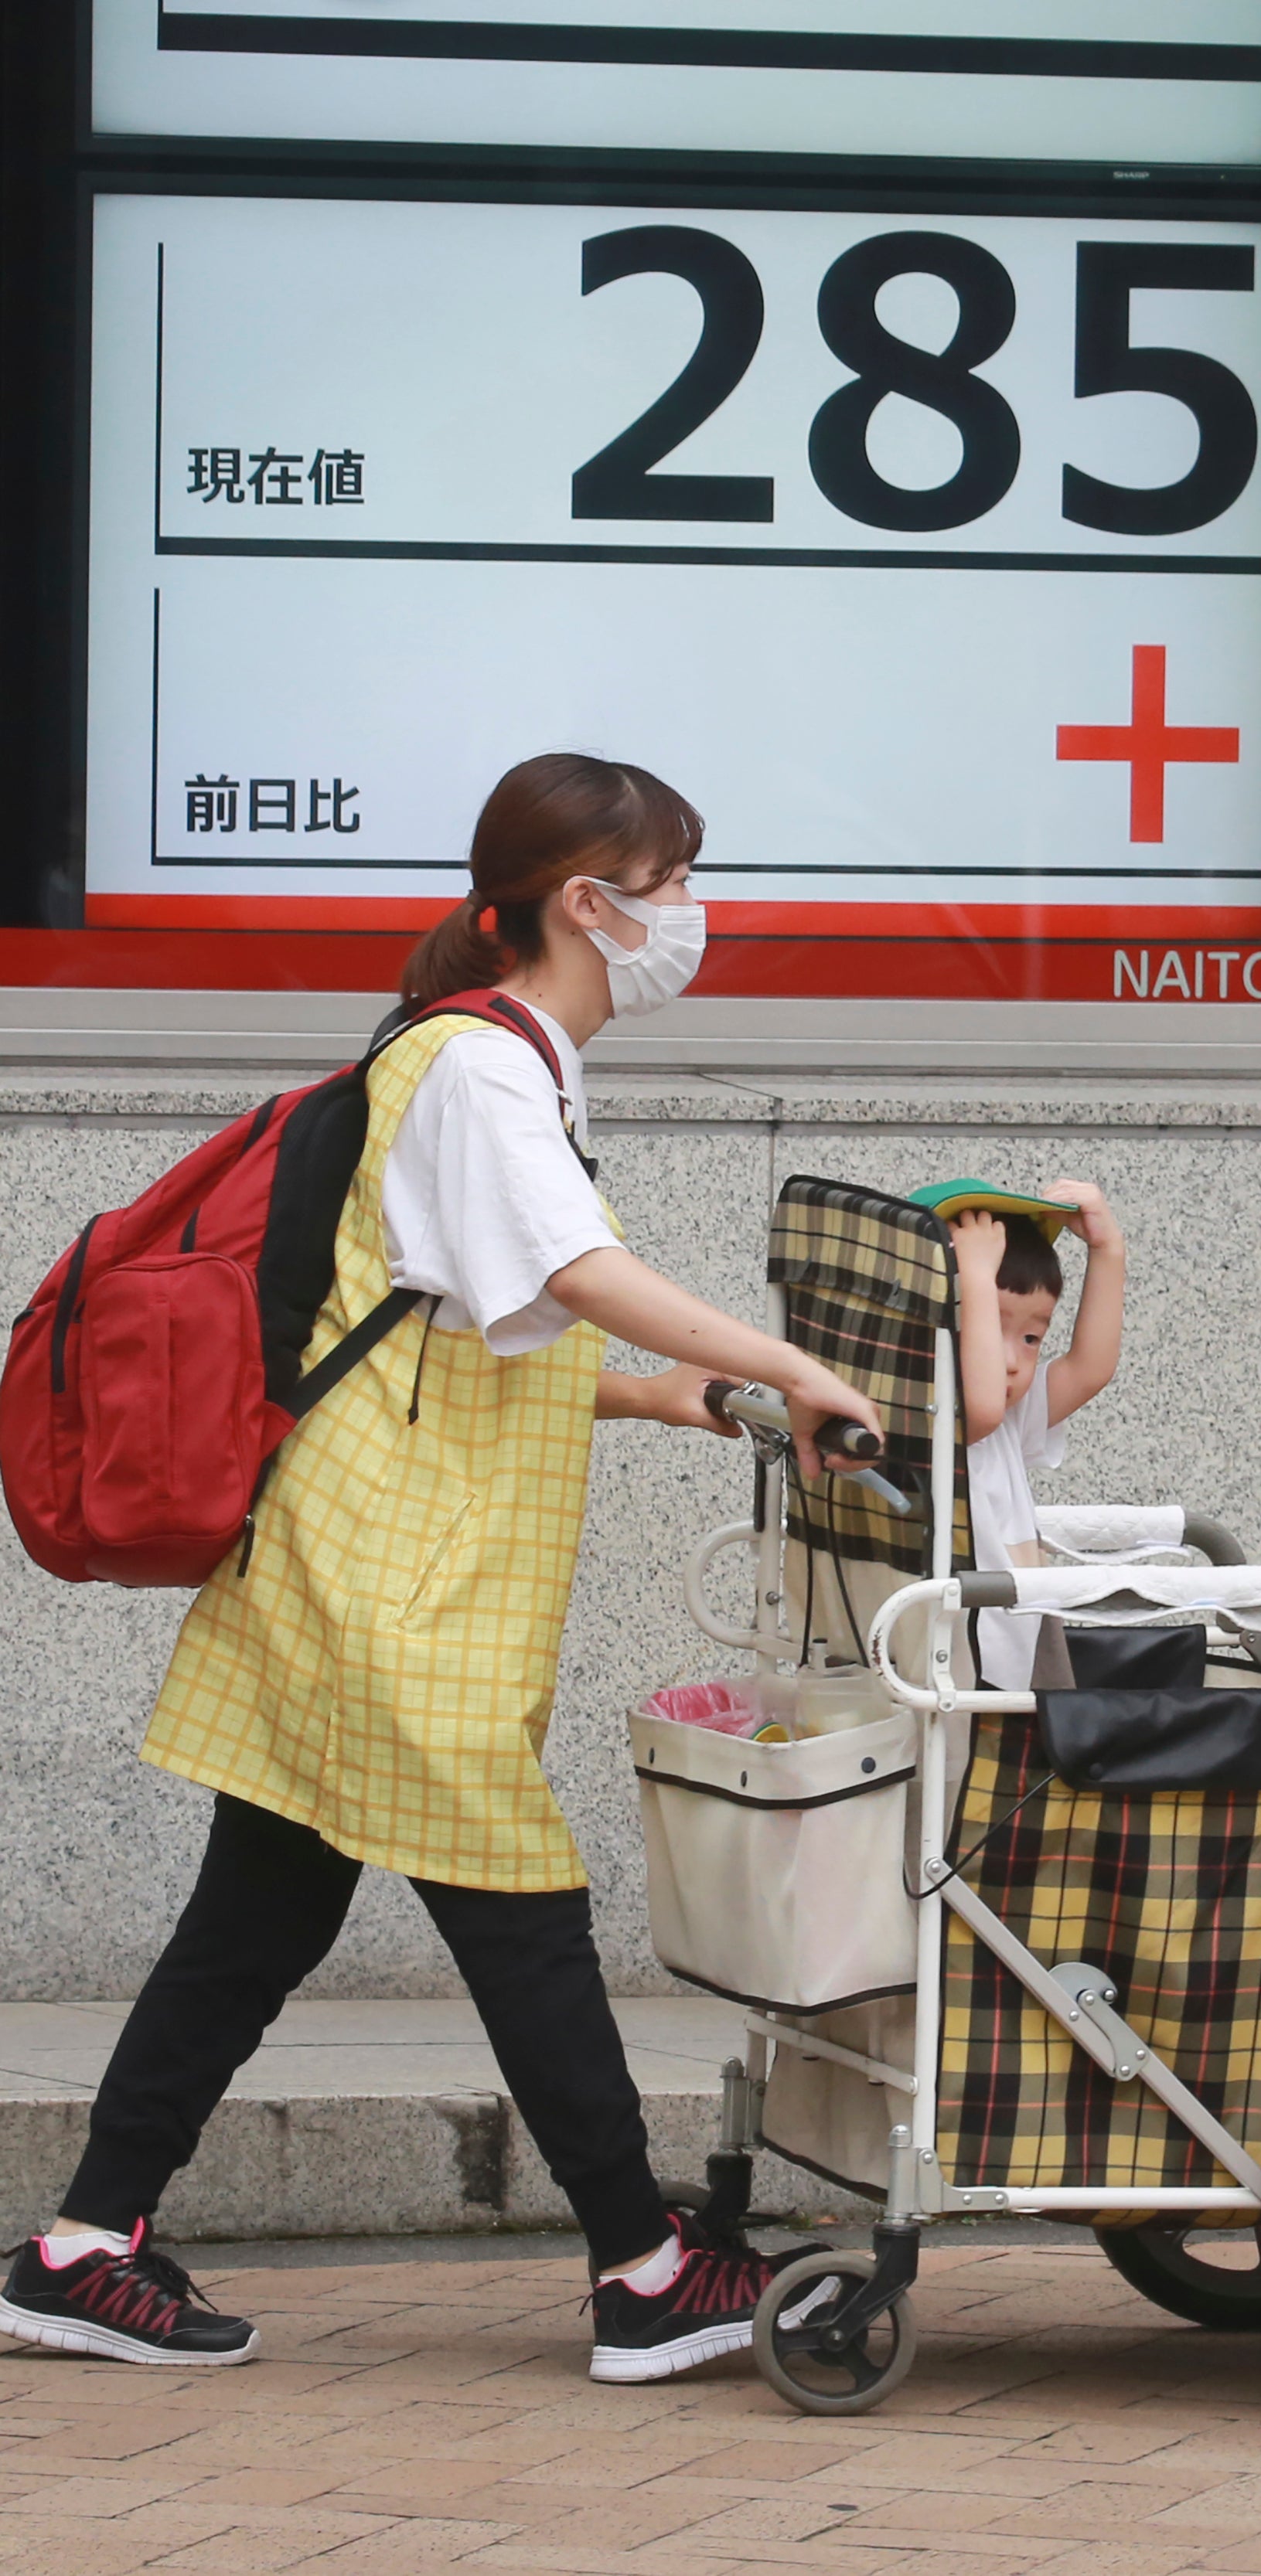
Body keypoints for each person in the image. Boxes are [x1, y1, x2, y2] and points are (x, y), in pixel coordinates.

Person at [0, 754, 884, 2384]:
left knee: (255, 1916)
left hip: (361, 1559)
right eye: (672, 884)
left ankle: (80, 2247)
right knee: (524, 1911)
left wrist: (669, 1392)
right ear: (584, 905)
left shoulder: (488, 1058)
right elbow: (568, 1269)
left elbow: (459, 1325)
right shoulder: (482, 1070)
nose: (689, 917)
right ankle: (639, 2265)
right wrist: (791, 1362)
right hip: (395, 1581)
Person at [917, 1179, 1126, 1693]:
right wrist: (976, 1278)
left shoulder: (1009, 1418)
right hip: (963, 1659)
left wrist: (1107, 1250)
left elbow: (1090, 1368)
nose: (1012, 1360)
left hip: (1026, 1635)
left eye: (1031, 1337)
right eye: (986, 1322)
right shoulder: (923, 1415)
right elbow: (982, 1407)